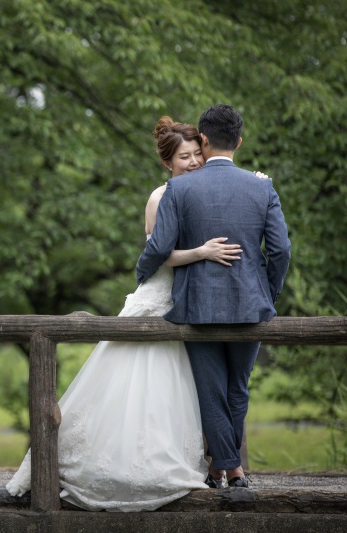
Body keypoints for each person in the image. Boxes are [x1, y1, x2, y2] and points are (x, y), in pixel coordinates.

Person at [6, 116, 245, 512]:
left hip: (188, 303)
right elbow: (158, 256)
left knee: (178, 389)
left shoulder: (195, 190)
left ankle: (186, 463)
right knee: (135, 382)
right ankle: (116, 466)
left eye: (196, 154)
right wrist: (201, 252)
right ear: (168, 163)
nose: (193, 162)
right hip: (158, 298)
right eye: (184, 157)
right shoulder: (161, 196)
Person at [136, 104, 291, 489]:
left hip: (197, 306)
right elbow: (281, 250)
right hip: (250, 305)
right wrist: (266, 291)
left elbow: (158, 247)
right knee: (237, 388)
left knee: (211, 391)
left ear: (203, 141)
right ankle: (231, 471)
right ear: (239, 141)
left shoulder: (179, 188)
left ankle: (225, 468)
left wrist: (142, 273)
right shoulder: (262, 186)